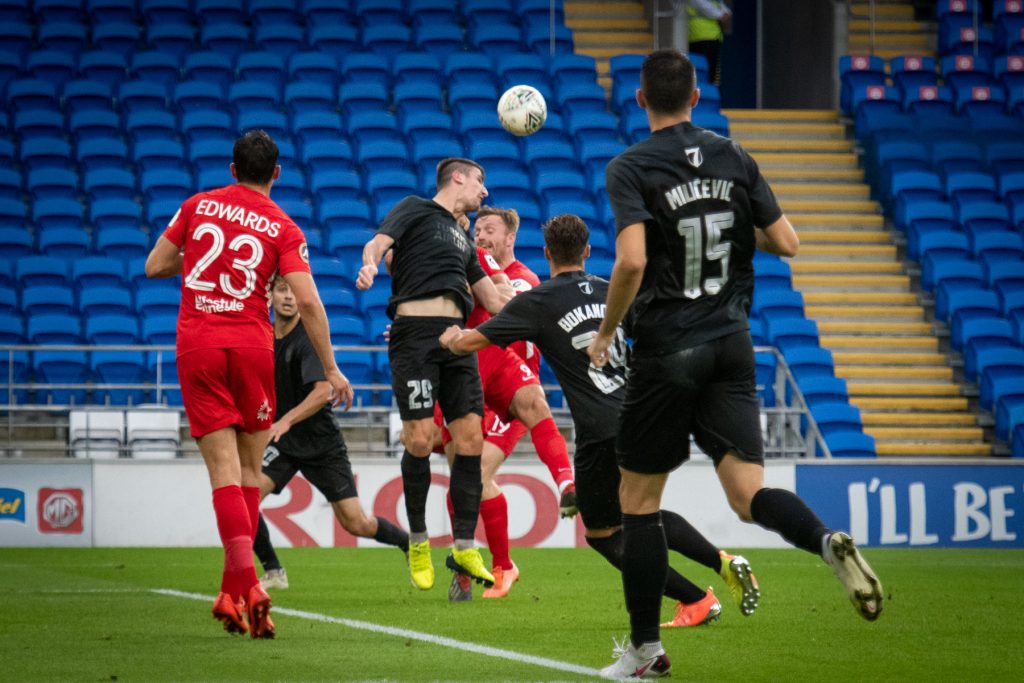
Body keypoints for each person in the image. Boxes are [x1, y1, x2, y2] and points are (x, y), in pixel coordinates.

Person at [586, 50, 883, 678]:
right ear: (697, 95)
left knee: (636, 503)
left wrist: (606, 331)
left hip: (668, 348)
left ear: (640, 100)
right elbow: (788, 242)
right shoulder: (735, 155)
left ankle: (644, 652)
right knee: (749, 496)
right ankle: (824, 540)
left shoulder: (631, 166)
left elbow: (633, 261)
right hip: (731, 342)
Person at [439, 213, 759, 626]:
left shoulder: (539, 300)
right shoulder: (614, 292)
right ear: (588, 252)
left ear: (547, 253)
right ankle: (722, 560)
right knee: (644, 513)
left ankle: (694, 599)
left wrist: (447, 338)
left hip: (601, 429)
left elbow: (475, 340)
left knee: (604, 535)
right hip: (647, 415)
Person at [144, 130, 352, 639]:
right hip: (253, 348)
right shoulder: (282, 225)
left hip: (199, 346)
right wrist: (331, 368)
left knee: (222, 472)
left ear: (232, 169)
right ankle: (234, 591)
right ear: (275, 174)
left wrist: (195, 266)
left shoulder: (197, 204)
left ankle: (246, 588)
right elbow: (307, 302)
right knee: (248, 472)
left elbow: (155, 266)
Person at [355, 157, 509, 593]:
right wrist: (369, 264)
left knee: (470, 440)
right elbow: (377, 244)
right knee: (421, 440)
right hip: (415, 336)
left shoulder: (464, 237)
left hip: (457, 339)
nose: (484, 192)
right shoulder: (415, 208)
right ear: (457, 177)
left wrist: (525, 303)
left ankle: (463, 544)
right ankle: (419, 541)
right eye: (481, 181)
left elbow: (491, 301)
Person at [251, 276, 410, 590]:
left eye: (294, 292)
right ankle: (273, 571)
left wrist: (285, 421)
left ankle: (410, 544)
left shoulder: (307, 339)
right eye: (283, 290)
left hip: (321, 444)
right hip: (285, 443)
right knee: (246, 497)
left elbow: (323, 392)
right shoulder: (264, 336)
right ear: (270, 295)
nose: (289, 298)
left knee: (356, 523)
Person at [687, 0, 731, 86]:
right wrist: (721, 16)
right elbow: (718, 14)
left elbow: (726, 12)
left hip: (713, 37)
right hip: (699, 37)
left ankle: (707, 93)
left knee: (711, 73)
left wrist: (724, 15)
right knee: (702, 72)